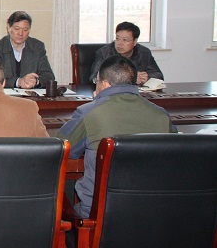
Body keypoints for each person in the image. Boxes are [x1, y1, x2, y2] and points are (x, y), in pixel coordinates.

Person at [57, 55, 175, 218]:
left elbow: (61, 150)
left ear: (104, 84)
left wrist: (96, 101)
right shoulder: (161, 115)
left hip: (99, 218)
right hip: (153, 215)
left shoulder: (89, 112)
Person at [0, 11, 55, 89]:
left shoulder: (37, 47)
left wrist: (35, 81)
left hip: (31, 94)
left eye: (25, 30)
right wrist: (18, 82)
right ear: (9, 28)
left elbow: (49, 76)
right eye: (17, 29)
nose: (20, 33)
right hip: (5, 94)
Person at [89, 21, 164, 86]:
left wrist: (147, 77)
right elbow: (94, 77)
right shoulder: (104, 53)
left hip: (136, 93)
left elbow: (159, 75)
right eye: (117, 38)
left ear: (135, 42)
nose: (119, 43)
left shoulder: (144, 53)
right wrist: (131, 77)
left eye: (125, 40)